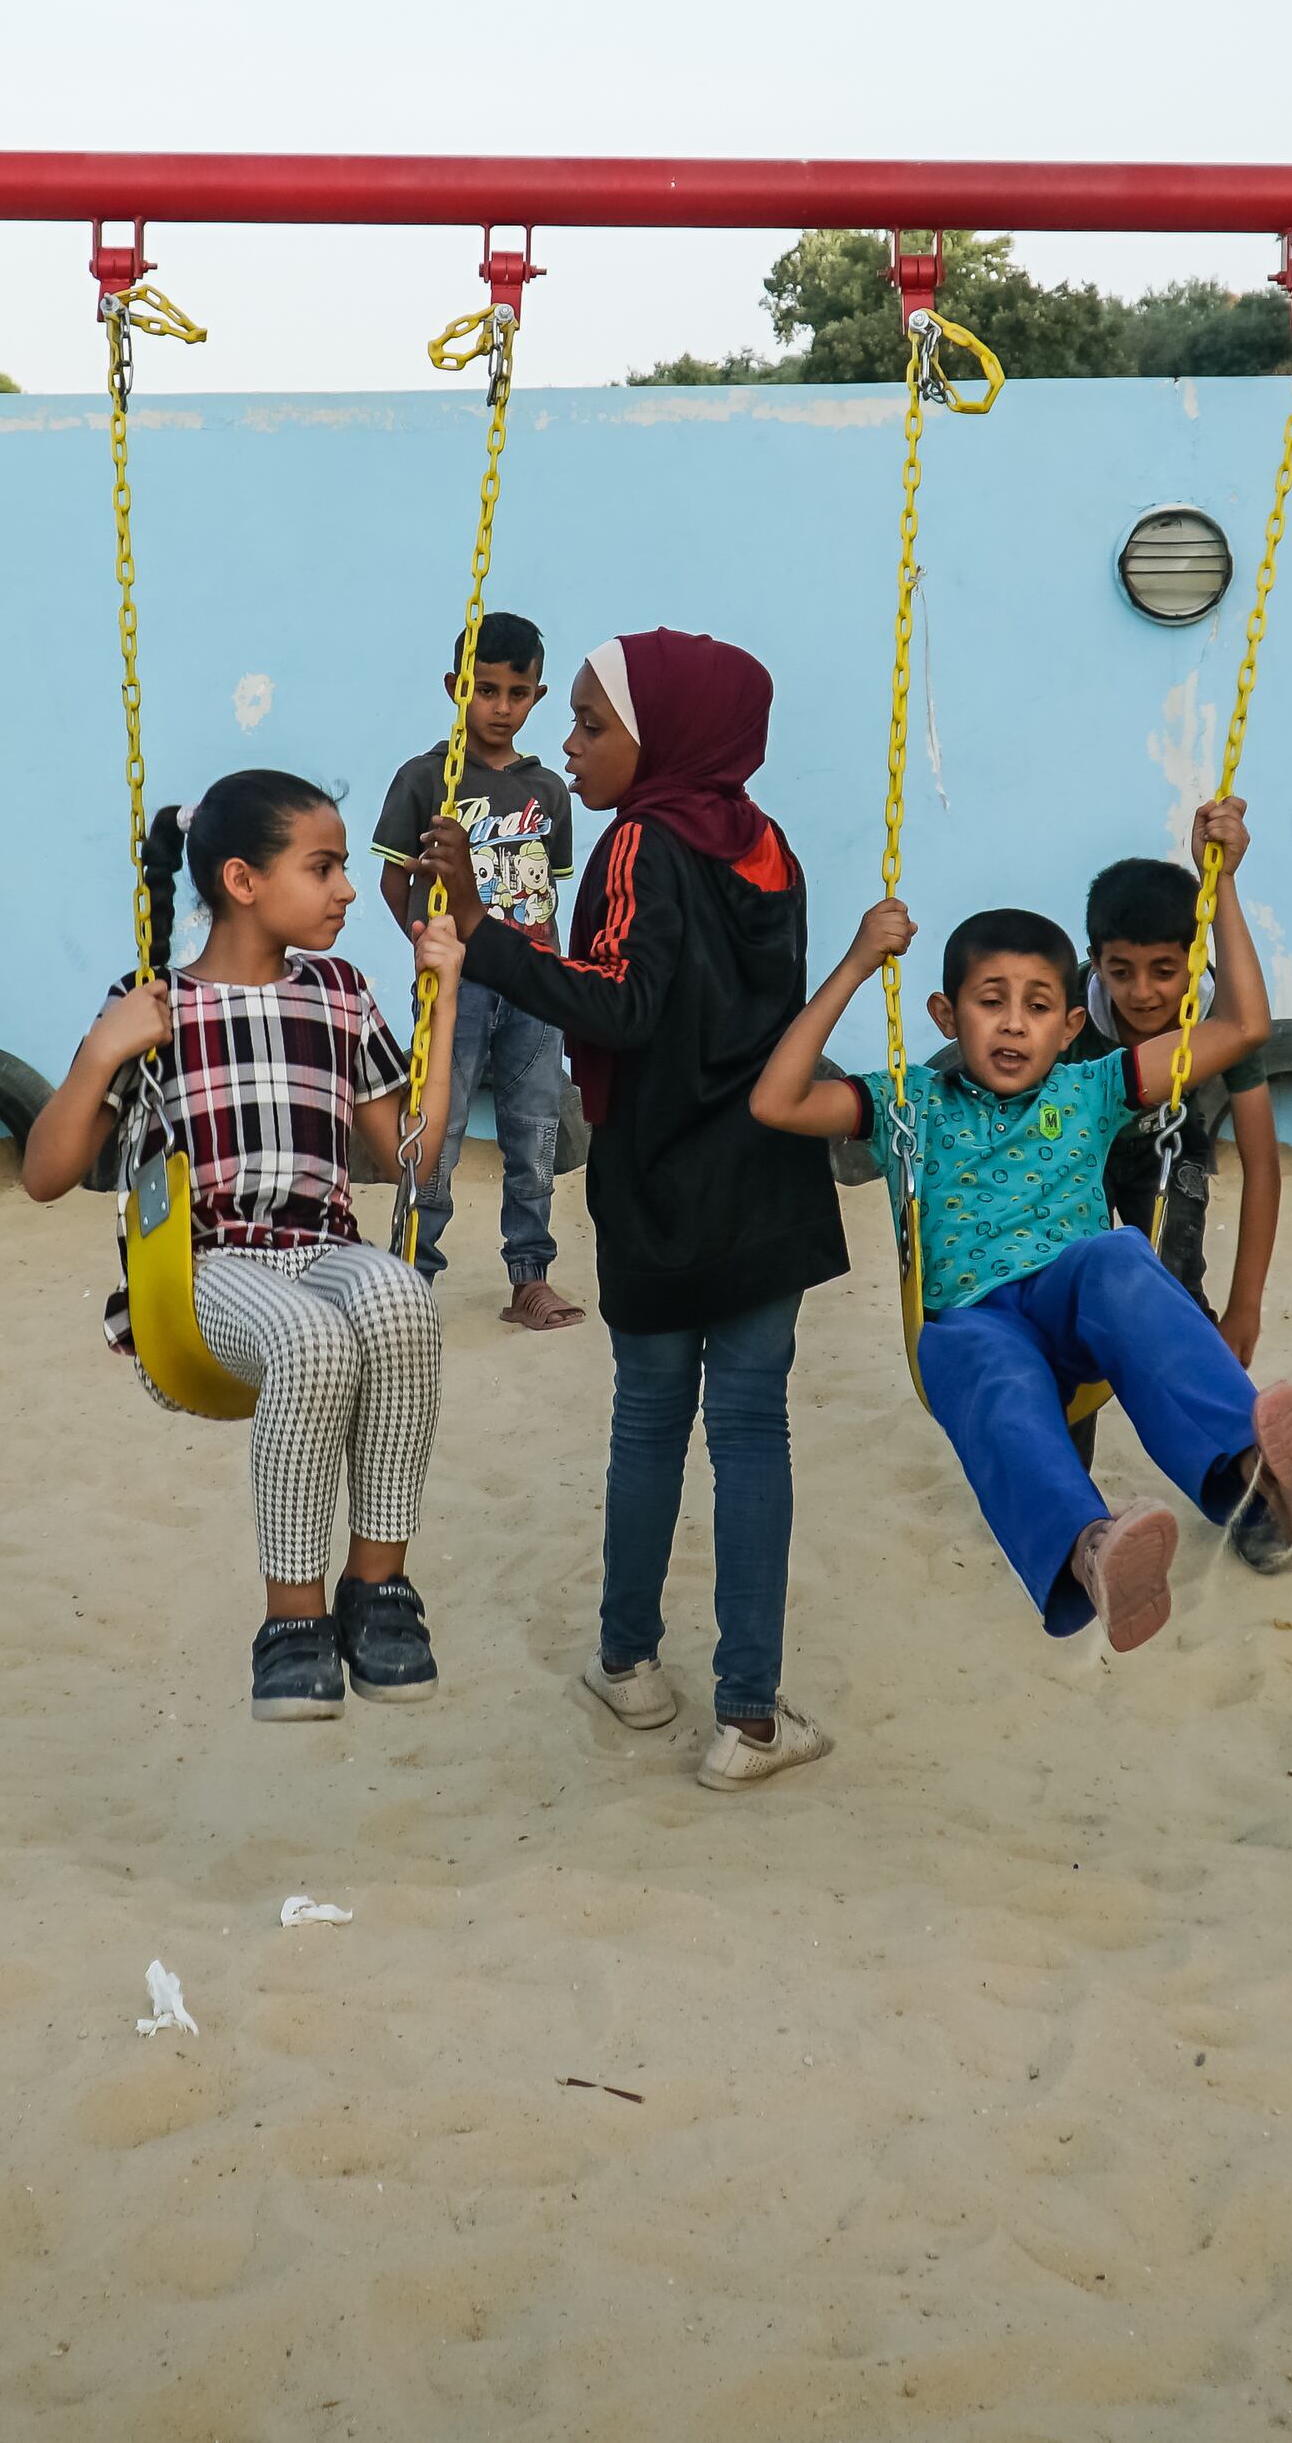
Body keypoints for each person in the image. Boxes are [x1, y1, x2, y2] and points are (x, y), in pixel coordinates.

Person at [744, 806, 1292, 1655]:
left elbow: (1243, 1027)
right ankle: (1093, 1550)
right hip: (970, 1319)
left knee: (1116, 1253)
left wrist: (1223, 885)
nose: (1011, 1023)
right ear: (943, 1013)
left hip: (1071, 1304)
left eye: (1037, 1006)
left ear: (1070, 1026)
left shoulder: (1093, 1087)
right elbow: (776, 1100)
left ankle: (1260, 1468)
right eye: (989, 1002)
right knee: (982, 1371)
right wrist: (855, 964)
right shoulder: (908, 1103)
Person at [406, 631, 847, 1789]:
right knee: (751, 1426)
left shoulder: (636, 843)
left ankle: (629, 1663)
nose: (568, 740)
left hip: (659, 1175)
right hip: (764, 1173)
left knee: (651, 1418)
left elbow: (625, 1009)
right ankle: (749, 1715)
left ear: (665, 736)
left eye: (593, 723)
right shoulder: (768, 847)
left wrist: (484, 940)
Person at [21, 771, 447, 1725]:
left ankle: (377, 1593)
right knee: (314, 1339)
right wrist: (101, 1053)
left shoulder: (339, 991)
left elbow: (413, 1159)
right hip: (208, 1274)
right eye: (324, 866)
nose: (346, 889)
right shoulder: (154, 1004)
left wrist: (442, 999)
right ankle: (291, 1623)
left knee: (402, 1299)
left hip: (323, 1246)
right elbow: (44, 1175)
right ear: (243, 880)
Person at [1081, 824, 1292, 1575]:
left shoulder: (1220, 1019)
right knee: (1059, 1295)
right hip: (1070, 1147)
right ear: (1095, 963)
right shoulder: (1069, 1024)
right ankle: (1068, 1493)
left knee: (1168, 1297)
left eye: (1165, 970)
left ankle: (1254, 1489)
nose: (1144, 992)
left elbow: (1264, 1165)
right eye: (1122, 970)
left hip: (1167, 1147)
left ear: (1193, 962)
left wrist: (1245, 1305)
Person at [374, 610, 584, 1329]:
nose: (499, 707)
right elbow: (394, 881)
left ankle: (530, 1275)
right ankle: (410, 1274)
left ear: (537, 695)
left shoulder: (549, 791)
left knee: (536, 1129)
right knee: (437, 1130)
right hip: (454, 988)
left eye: (516, 692)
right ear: (454, 688)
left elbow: (548, 891)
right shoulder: (426, 778)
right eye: (484, 689)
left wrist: (553, 967)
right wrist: (423, 943)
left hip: (533, 987)